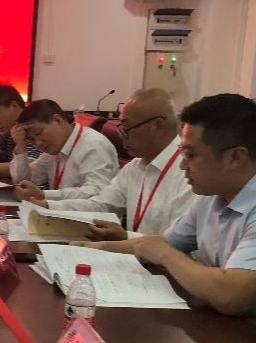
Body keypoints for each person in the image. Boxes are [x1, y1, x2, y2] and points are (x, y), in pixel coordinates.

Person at [74, 94, 256, 338]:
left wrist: (166, 255)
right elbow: (160, 243)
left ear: (235, 157)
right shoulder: (213, 195)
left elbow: (229, 296)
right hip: (219, 327)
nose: (183, 165)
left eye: (190, 155)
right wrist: (92, 249)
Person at [19, 88, 195, 240]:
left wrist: (126, 237)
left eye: (126, 128)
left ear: (157, 125)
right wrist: (48, 206)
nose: (121, 135)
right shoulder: (135, 167)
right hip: (132, 256)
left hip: (159, 264)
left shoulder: (188, 173)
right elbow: (101, 204)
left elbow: (179, 243)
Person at [9, 99, 118, 200]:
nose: (38, 143)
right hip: (60, 212)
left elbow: (97, 193)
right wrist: (20, 146)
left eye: (39, 132)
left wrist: (44, 195)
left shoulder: (93, 145)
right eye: (31, 139)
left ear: (58, 120)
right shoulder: (54, 149)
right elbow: (24, 182)